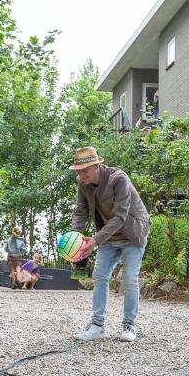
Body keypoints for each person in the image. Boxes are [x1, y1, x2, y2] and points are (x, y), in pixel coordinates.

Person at [69, 146, 150, 342]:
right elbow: (80, 212)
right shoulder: (83, 183)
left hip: (132, 234)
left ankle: (129, 325)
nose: (81, 175)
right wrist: (75, 238)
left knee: (129, 279)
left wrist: (95, 240)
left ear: (96, 166)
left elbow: (120, 217)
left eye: (85, 170)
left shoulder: (118, 179)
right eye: (78, 171)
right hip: (108, 237)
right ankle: (97, 326)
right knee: (100, 276)